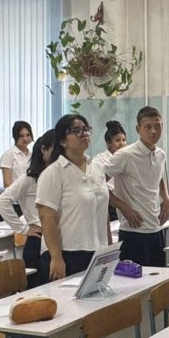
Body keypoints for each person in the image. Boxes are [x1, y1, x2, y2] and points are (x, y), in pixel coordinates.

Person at [35, 114, 111, 281]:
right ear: (63, 141)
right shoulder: (54, 173)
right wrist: (56, 258)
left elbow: (102, 210)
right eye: (76, 131)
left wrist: (109, 250)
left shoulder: (96, 167)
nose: (84, 134)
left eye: (86, 129)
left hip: (97, 249)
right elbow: (47, 218)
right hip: (67, 253)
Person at [106, 107, 169, 267]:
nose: (153, 131)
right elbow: (98, 184)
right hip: (133, 232)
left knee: (159, 277)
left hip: (155, 227)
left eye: (157, 126)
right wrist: (123, 207)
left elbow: (159, 176)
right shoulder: (124, 155)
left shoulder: (160, 154)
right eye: (148, 127)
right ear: (138, 129)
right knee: (134, 279)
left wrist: (166, 198)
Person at [0, 129, 54, 287]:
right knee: (40, 289)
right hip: (38, 238)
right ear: (44, 151)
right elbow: (2, 202)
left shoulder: (57, 177)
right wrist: (23, 229)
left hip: (56, 238)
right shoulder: (29, 178)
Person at [91, 120, 127, 222]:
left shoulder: (127, 158)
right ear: (109, 143)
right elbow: (97, 184)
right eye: (117, 140)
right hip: (109, 203)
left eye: (124, 140)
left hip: (126, 200)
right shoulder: (99, 160)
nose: (122, 144)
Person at [0, 120, 33, 188]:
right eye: (21, 136)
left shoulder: (33, 155)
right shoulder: (8, 155)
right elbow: (7, 184)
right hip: (15, 194)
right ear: (15, 137)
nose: (25, 139)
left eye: (28, 135)